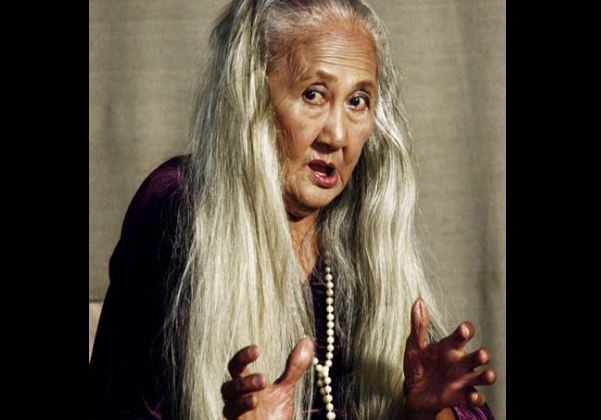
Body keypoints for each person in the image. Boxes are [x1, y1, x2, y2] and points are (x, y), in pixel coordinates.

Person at [89, 0, 497, 419]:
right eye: (313, 95)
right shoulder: (180, 206)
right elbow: (119, 405)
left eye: (358, 101)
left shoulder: (364, 229)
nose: (336, 136)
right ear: (252, 97)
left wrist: (427, 412)